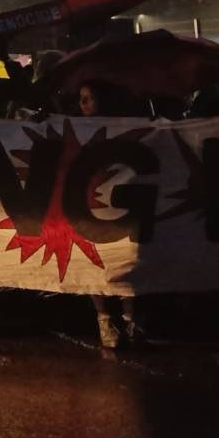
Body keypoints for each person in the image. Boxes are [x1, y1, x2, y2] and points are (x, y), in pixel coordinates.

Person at [77, 78, 145, 348]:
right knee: (95, 262)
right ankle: (104, 319)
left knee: (127, 260)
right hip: (88, 206)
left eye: (89, 98)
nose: (82, 104)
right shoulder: (74, 129)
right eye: (80, 98)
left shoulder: (127, 126)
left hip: (123, 204)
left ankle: (130, 319)